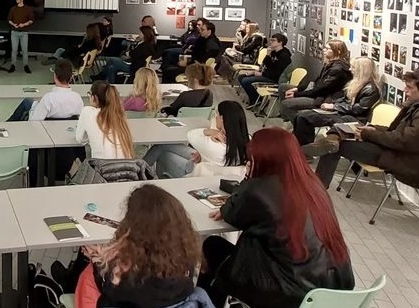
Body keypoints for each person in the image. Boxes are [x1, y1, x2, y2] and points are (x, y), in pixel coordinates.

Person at [198, 129, 354, 308]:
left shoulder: (258, 190)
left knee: (212, 246)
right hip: (329, 287)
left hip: (287, 293)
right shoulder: (315, 186)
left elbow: (231, 214)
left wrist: (249, 177)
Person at [74, 185, 213, 308]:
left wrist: (99, 258)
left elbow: (112, 289)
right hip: (177, 301)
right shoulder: (186, 258)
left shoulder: (129, 279)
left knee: (89, 275)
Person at [314, 70, 419, 189]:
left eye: (409, 87)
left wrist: (369, 134)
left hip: (399, 157)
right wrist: (373, 128)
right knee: (346, 122)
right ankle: (328, 141)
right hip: (391, 148)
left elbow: (404, 140)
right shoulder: (413, 105)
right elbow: (396, 131)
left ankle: (318, 190)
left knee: (335, 147)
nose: (405, 90)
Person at [144, 101, 249, 179]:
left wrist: (210, 132)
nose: (214, 116)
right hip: (212, 169)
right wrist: (204, 154)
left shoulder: (212, 145)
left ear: (222, 118)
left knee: (164, 154)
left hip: (197, 173)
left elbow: (191, 134)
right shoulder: (248, 139)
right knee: (162, 146)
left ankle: (139, 172)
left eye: (216, 115)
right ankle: (140, 171)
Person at [294, 56, 381, 147]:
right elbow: (344, 99)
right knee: (302, 116)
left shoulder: (371, 89)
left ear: (362, 70)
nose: (350, 69)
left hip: (352, 118)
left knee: (305, 117)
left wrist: (334, 107)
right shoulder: (355, 83)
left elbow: (358, 109)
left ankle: (305, 150)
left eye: (353, 67)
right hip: (341, 112)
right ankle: (299, 146)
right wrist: (333, 105)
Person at [280, 40, 352, 123]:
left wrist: (297, 94)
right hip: (319, 94)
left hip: (324, 99)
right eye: (324, 48)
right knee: (283, 87)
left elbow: (321, 90)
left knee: (286, 104)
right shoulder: (330, 64)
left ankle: (299, 127)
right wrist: (298, 89)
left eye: (327, 49)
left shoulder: (337, 69)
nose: (324, 50)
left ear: (338, 51)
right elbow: (316, 82)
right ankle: (293, 120)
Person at [7, 59, 83, 121]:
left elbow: (33, 121)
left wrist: (36, 105)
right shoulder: (77, 98)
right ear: (70, 77)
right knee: (28, 101)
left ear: (54, 76)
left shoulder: (48, 98)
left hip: (46, 130)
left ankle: (7, 125)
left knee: (27, 102)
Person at [76, 81, 135, 159]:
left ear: (94, 98)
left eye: (89, 94)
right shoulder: (119, 116)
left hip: (103, 169)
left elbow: (81, 140)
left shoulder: (87, 112)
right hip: (127, 168)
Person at [237, 33, 292, 105]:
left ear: (280, 42)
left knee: (246, 81)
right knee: (241, 77)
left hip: (274, 78)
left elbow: (277, 73)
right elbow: (265, 64)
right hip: (267, 74)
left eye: (273, 40)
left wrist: (259, 74)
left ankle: (257, 100)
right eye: (271, 40)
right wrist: (268, 55)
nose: (271, 42)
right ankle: (255, 98)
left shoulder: (284, 56)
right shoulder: (273, 52)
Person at [8, 0, 35, 73]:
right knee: (14, 50)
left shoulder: (27, 9)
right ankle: (13, 65)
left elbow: (31, 20)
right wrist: (14, 24)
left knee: (24, 50)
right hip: (14, 32)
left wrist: (24, 24)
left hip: (24, 33)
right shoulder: (13, 9)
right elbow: (9, 20)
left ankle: (26, 66)